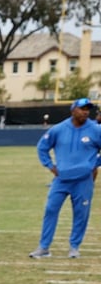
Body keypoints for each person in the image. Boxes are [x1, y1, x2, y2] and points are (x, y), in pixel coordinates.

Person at [29, 98, 101, 259]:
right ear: (73, 110)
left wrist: (93, 164)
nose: (85, 112)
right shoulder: (59, 129)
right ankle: (44, 247)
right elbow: (42, 147)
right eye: (82, 108)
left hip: (83, 180)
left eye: (88, 109)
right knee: (50, 210)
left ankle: (74, 246)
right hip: (61, 179)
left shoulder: (96, 130)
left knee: (81, 213)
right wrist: (50, 166)